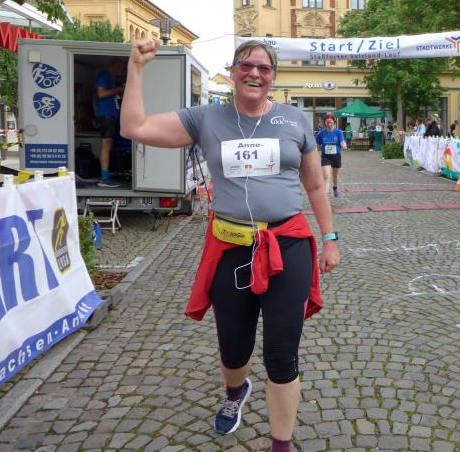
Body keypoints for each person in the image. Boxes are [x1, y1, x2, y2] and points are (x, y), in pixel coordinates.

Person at [120, 39, 339, 450]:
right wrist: (136, 68)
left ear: (273, 77)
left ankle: (280, 445)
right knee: (234, 348)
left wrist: (330, 239)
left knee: (282, 353)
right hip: (231, 247)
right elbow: (135, 128)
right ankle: (236, 390)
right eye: (246, 65)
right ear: (233, 71)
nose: (254, 73)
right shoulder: (206, 118)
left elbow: (314, 185)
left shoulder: (295, 120)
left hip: (287, 245)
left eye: (264, 68)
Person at [95, 58, 126, 187]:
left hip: (110, 115)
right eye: (120, 67)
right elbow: (101, 93)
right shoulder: (104, 75)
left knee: (108, 145)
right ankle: (104, 177)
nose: (121, 70)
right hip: (106, 116)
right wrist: (118, 89)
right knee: (106, 145)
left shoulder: (110, 78)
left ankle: (106, 175)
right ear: (113, 66)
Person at [316, 114, 347, 197]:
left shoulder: (338, 132)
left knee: (335, 174)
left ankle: (335, 188)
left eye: (331, 123)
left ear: (334, 122)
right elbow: (317, 143)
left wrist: (343, 144)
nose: (329, 124)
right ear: (325, 123)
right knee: (326, 176)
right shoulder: (321, 133)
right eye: (327, 123)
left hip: (336, 156)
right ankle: (325, 197)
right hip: (325, 157)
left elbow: (342, 140)